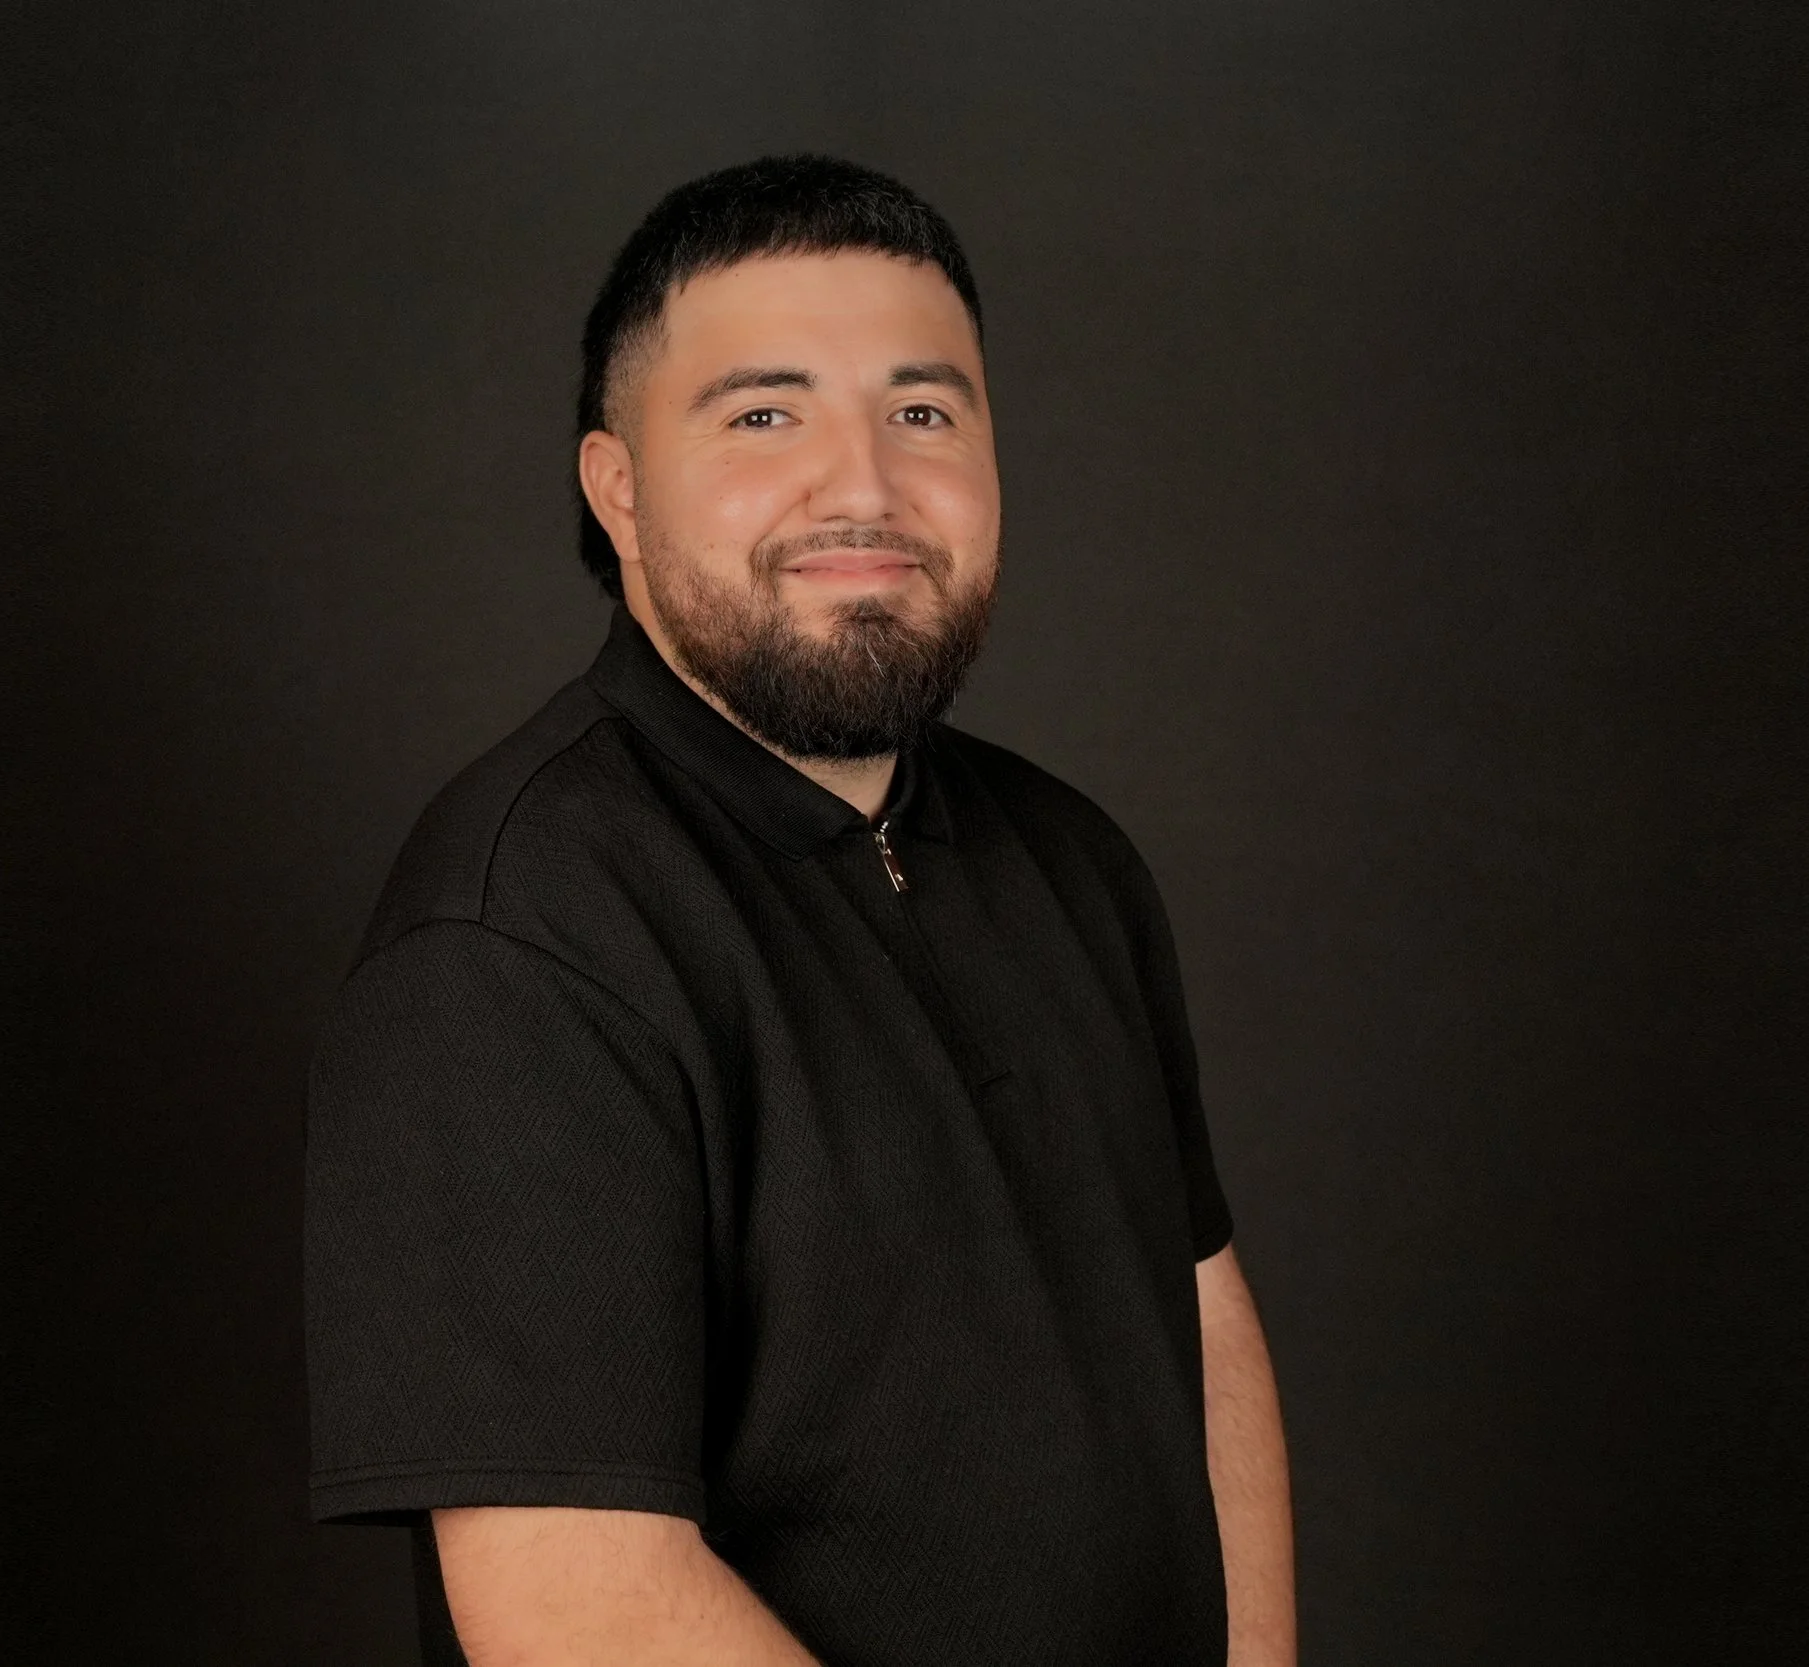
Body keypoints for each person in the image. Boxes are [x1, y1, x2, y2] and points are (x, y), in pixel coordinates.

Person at [305, 154, 1296, 1667]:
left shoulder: (1075, 860)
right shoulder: (514, 938)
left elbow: (1199, 1324)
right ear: (618, 491)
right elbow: (576, 1606)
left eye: (924, 412)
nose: (866, 487)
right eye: (765, 415)